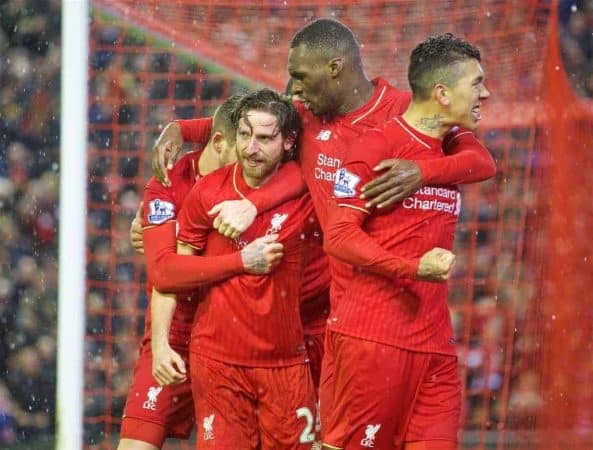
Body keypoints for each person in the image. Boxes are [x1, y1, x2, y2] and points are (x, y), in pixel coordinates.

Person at [321, 33, 492, 450]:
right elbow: (339, 236)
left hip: (434, 343)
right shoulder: (375, 148)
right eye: (476, 83)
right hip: (373, 337)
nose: (485, 93)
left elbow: (485, 164)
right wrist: (412, 269)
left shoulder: (455, 143)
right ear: (442, 93)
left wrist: (419, 172)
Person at [117, 94, 292, 450]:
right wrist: (241, 262)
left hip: (238, 345)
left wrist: (179, 127)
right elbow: (164, 273)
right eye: (242, 141)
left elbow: (302, 169)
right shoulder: (168, 185)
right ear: (221, 142)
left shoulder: (266, 176)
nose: (251, 153)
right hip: (175, 337)